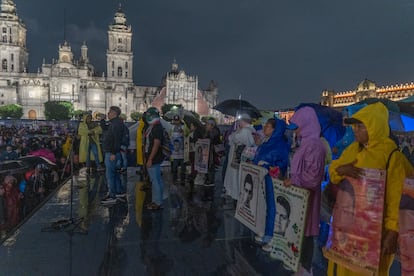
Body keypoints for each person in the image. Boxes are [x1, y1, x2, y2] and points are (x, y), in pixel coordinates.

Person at [327, 102, 414, 276]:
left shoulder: (392, 156)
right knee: (342, 267)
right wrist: (340, 170)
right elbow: (334, 169)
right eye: (355, 126)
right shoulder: (353, 149)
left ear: (374, 127)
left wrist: (392, 230)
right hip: (348, 227)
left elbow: (397, 198)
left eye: (360, 126)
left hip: (374, 231)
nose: (355, 130)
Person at [283, 106, 327, 274]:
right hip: (300, 196)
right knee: (299, 231)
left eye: (298, 126)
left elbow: (313, 177)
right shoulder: (306, 143)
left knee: (306, 234)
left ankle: (306, 268)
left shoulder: (315, 145)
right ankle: (299, 265)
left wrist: (294, 179)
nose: (296, 131)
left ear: (308, 124)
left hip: (307, 197)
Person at [253, 118, 290, 251]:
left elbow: (282, 163)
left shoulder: (280, 143)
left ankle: (271, 236)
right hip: (262, 176)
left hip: (272, 178)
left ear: (275, 129)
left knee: (273, 207)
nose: (265, 129)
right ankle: (264, 230)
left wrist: (268, 166)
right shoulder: (266, 141)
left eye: (268, 127)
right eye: (265, 126)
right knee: (264, 204)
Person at [224, 113, 256, 201]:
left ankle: (236, 196)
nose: (238, 122)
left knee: (237, 177)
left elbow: (234, 138)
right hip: (236, 157)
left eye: (240, 121)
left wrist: (235, 133)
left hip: (239, 158)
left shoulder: (246, 130)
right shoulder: (245, 130)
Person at [101, 106, 124, 205]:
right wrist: (102, 120)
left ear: (114, 113)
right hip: (112, 151)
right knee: (115, 173)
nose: (108, 113)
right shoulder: (115, 123)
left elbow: (117, 139)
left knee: (110, 174)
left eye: (109, 112)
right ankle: (119, 191)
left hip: (112, 152)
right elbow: (106, 130)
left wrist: (114, 153)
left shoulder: (116, 124)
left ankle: (112, 195)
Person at [144, 107, 165, 210]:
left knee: (155, 180)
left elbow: (156, 143)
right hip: (154, 157)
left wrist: (150, 159)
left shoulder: (156, 127)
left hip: (154, 157)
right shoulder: (154, 126)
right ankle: (159, 200)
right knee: (157, 179)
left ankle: (157, 202)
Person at [170, 114, 185, 183]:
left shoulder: (183, 127)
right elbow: (169, 137)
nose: (176, 122)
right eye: (175, 120)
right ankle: (174, 179)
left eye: (177, 120)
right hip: (174, 152)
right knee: (174, 166)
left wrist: (183, 132)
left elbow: (187, 135)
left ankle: (182, 180)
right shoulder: (171, 127)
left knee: (183, 167)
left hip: (182, 151)